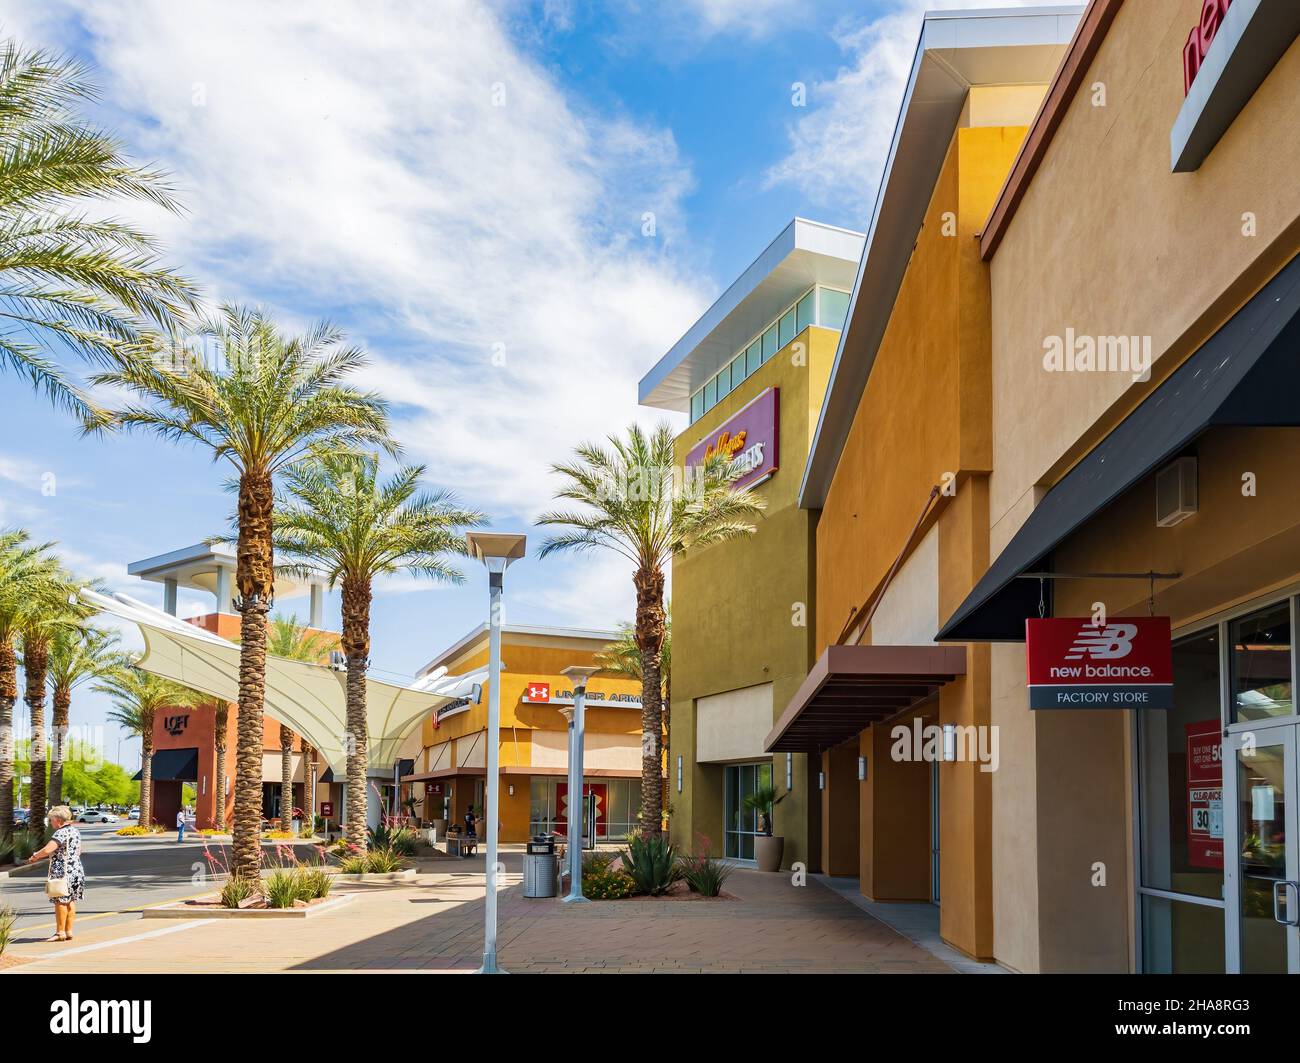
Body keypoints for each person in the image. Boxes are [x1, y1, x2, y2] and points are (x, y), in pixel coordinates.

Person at [27, 805, 84, 942]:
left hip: (62, 872)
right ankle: (68, 931)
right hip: (76, 870)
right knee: (70, 901)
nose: (51, 822)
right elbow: (78, 851)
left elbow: (48, 849)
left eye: (51, 820)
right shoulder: (75, 831)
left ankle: (60, 933)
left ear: (58, 820)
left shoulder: (60, 833)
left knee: (60, 901)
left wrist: (35, 856)